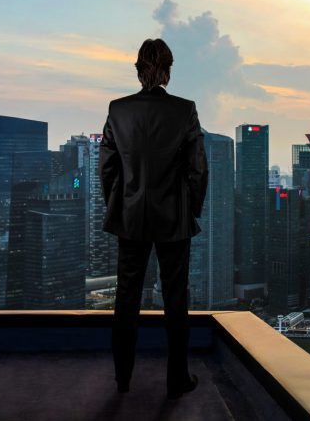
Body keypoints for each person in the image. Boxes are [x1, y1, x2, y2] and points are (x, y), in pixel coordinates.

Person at [99, 38, 208, 398]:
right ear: (168, 69)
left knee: (126, 297)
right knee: (176, 300)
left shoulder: (118, 110)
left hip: (130, 216)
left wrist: (120, 206)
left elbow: (108, 169)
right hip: (173, 218)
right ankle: (177, 379)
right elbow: (197, 170)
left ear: (138, 68)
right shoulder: (184, 110)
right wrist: (189, 212)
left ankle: (122, 379)